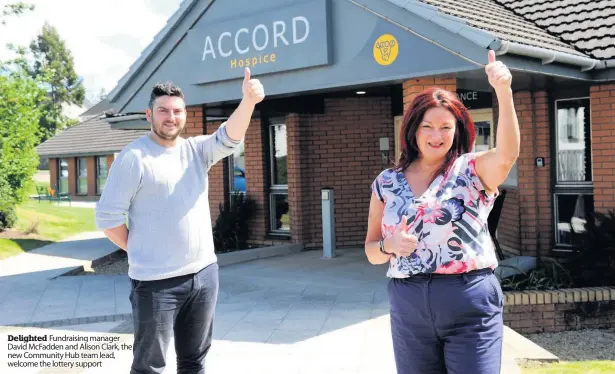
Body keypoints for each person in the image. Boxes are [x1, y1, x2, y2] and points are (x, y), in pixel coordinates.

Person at [95, 67, 265, 374]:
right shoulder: (133, 158)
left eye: (176, 111)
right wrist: (140, 250)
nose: (170, 117)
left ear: (184, 115)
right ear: (149, 114)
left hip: (203, 276)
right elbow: (107, 219)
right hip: (156, 284)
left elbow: (229, 136)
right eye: (163, 110)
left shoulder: (195, 151)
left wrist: (248, 102)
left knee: (194, 363)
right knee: (150, 367)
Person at [364, 50, 519, 374]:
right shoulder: (386, 182)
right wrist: (388, 247)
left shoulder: (472, 170)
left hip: (468, 299)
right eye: (428, 126)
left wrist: (503, 92)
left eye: (446, 128)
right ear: (413, 129)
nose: (437, 136)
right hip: (408, 304)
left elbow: (506, 155)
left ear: (457, 130)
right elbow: (372, 251)